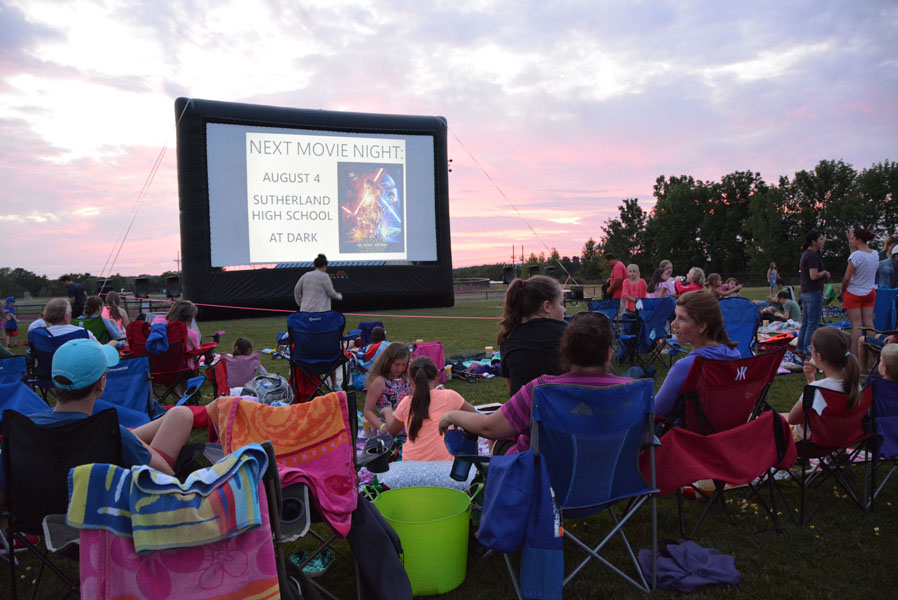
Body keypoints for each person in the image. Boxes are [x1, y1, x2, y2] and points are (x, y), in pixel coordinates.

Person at [0, 339, 194, 509]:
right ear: (101, 383)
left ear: (54, 380)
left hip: (36, 519)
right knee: (180, 415)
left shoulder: (20, 431)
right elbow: (166, 479)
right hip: (100, 518)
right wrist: (133, 441)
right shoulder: (112, 435)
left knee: (178, 415)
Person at [439, 313, 632, 455]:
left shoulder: (541, 389)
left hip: (545, 479)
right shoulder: (632, 390)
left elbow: (489, 428)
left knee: (502, 438)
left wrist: (452, 415)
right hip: (610, 480)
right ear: (608, 353)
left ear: (565, 352)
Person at [654, 291, 741, 416]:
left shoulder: (687, 365)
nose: (673, 324)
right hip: (726, 425)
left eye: (682, 319)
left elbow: (657, 411)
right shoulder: (733, 354)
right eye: (675, 316)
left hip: (692, 427)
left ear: (702, 326)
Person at [381, 356, 476, 461]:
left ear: (411, 380)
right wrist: (454, 418)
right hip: (445, 464)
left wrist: (387, 411)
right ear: (436, 376)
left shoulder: (406, 402)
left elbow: (392, 430)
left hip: (411, 464)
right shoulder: (449, 396)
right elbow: (474, 414)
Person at [784, 326, 861, 440]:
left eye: (812, 349)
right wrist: (811, 379)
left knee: (769, 419)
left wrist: (811, 384)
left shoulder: (816, 389)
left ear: (819, 356)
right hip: (839, 439)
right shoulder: (855, 384)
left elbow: (793, 419)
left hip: (809, 441)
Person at [497, 275, 567, 396]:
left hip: (525, 407)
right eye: (561, 304)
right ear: (547, 306)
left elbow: (513, 388)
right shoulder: (569, 333)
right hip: (565, 405)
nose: (564, 310)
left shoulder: (508, 338)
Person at [842, 227, 878, 366]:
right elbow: (857, 257)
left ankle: (856, 356)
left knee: (856, 325)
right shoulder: (874, 254)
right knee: (869, 324)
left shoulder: (856, 256)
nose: (851, 241)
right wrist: (850, 243)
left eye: (853, 238)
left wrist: (843, 290)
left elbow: (847, 277)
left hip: (854, 293)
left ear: (858, 239)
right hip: (870, 292)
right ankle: (871, 356)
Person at [362, 342, 411, 436]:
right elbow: (367, 411)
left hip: (408, 427)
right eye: (397, 364)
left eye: (404, 365)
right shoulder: (379, 382)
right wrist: (382, 426)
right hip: (390, 428)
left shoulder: (405, 378)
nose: (400, 369)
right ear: (387, 361)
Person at [797, 230, 831, 357]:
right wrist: (824, 273)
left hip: (805, 292)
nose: (823, 241)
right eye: (821, 239)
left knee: (806, 323)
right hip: (813, 293)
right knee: (813, 324)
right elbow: (814, 275)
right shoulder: (812, 256)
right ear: (813, 242)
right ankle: (808, 350)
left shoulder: (806, 254)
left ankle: (801, 348)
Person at [152, 300, 201, 368]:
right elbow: (196, 354)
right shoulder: (191, 334)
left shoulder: (156, 323)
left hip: (156, 368)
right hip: (182, 370)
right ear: (189, 319)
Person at [30, 297, 99, 341]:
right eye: (70, 313)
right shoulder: (82, 333)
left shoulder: (39, 336)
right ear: (66, 316)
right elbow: (100, 350)